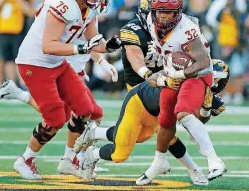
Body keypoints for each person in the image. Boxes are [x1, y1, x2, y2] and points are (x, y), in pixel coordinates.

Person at [0, 0, 120, 180]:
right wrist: (81, 49)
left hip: (57, 62)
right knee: (55, 118)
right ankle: (25, 160)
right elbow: (49, 45)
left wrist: (108, 47)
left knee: (85, 109)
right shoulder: (62, 4)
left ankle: (69, 160)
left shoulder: (88, 8)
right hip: (35, 63)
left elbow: (94, 40)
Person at [74, 59, 229, 183]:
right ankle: (92, 154)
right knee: (119, 154)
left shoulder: (209, 97)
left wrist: (207, 107)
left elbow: (200, 122)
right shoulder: (184, 72)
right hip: (139, 103)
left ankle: (95, 132)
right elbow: (152, 79)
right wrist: (164, 80)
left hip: (159, 115)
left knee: (160, 137)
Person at [136, 0, 227, 185]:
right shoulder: (151, 21)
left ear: (177, 12)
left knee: (183, 113)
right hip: (173, 71)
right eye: (160, 11)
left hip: (197, 74)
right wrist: (163, 75)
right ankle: (159, 161)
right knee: (165, 120)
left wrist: (178, 73)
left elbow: (203, 62)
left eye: (168, 12)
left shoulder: (186, 28)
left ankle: (214, 160)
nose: (163, 16)